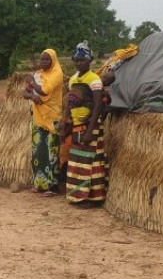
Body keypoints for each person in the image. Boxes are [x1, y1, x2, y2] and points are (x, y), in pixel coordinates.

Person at [62, 41, 107, 205]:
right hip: (76, 126)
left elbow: (98, 105)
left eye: (82, 60)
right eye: (77, 60)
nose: (79, 63)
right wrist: (66, 121)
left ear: (90, 61)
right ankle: (78, 195)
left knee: (92, 162)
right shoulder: (73, 79)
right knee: (78, 161)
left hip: (90, 126)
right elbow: (69, 104)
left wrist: (90, 130)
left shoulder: (94, 79)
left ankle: (94, 198)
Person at [23, 49, 64, 196]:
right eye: (42, 60)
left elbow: (45, 91)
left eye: (47, 60)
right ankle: (39, 184)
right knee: (38, 151)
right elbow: (25, 93)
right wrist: (32, 97)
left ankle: (52, 187)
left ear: (53, 60)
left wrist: (31, 82)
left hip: (53, 118)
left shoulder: (57, 74)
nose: (44, 62)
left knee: (51, 151)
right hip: (38, 118)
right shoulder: (39, 74)